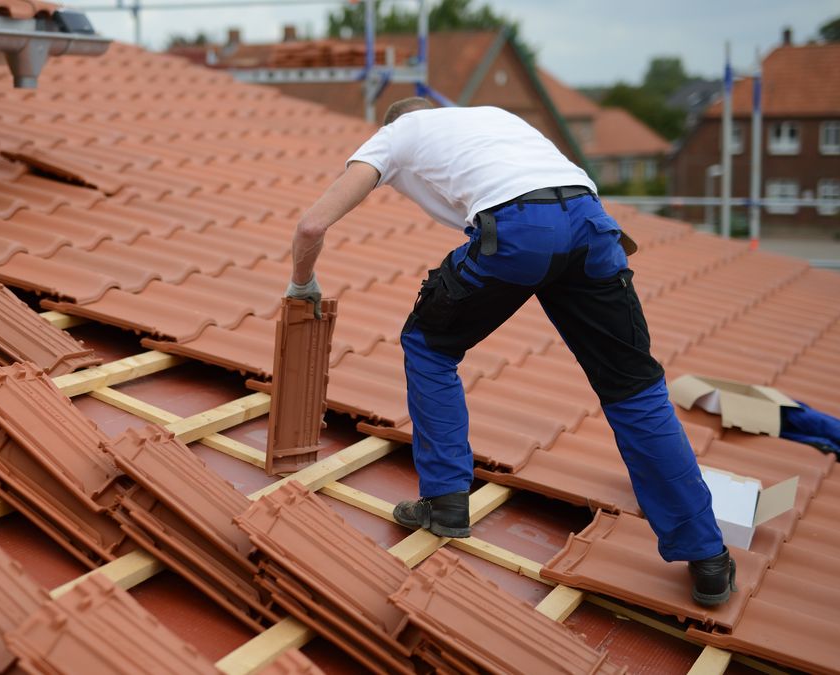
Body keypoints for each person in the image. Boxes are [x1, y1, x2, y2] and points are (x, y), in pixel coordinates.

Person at [285, 97, 736, 607]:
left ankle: (445, 502)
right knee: (634, 388)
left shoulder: (398, 133)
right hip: (592, 223)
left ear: (398, 121)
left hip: (521, 230)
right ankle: (709, 559)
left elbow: (312, 226)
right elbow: (559, 194)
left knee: (428, 345)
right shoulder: (494, 120)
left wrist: (302, 284)